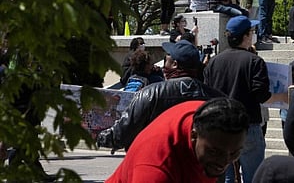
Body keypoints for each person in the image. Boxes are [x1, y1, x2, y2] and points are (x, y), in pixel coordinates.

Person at [97, 40, 224, 152]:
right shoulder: (216, 99)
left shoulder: (150, 94)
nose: (162, 66)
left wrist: (96, 135)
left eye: (165, 59)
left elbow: (121, 134)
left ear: (174, 64)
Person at [105, 97, 249, 183]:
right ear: (194, 136)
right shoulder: (155, 168)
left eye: (234, 153)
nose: (224, 161)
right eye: (214, 152)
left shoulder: (210, 117)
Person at [203, 15, 271, 183]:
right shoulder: (255, 61)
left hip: (219, 127)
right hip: (247, 126)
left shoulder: (214, 62)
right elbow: (261, 94)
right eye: (252, 32)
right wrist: (282, 97)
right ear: (246, 36)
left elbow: (206, 93)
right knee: (253, 177)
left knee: (225, 177)